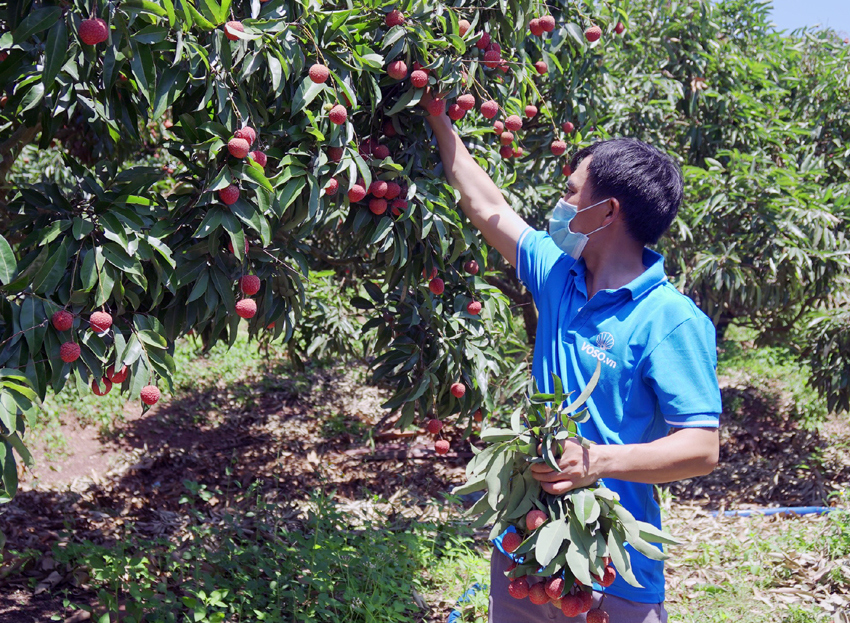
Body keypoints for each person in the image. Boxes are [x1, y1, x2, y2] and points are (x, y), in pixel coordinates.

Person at [423, 95, 722, 623]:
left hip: (613, 568)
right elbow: (485, 203)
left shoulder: (670, 320)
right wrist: (438, 118)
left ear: (607, 211)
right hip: (526, 547)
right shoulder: (559, 273)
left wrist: (599, 461)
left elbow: (701, 447)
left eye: (569, 193)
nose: (558, 207)